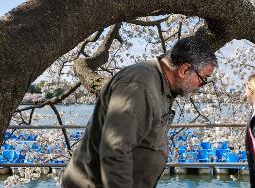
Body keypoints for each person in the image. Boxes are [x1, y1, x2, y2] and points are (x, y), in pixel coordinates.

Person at [62, 36, 217, 188]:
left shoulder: (159, 85)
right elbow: (115, 150)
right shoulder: (140, 85)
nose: (201, 85)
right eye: (203, 78)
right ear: (185, 70)